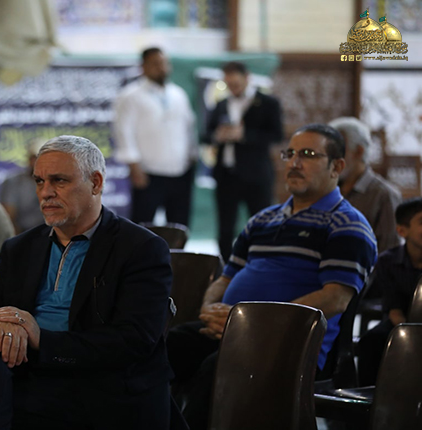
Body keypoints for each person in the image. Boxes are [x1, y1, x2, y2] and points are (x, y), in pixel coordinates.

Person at [0, 135, 174, 430]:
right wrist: (8, 324)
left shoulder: (140, 248)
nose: (45, 193)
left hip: (101, 386)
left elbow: (134, 340)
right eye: (39, 181)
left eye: (59, 181)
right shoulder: (20, 248)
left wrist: (41, 339)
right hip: (27, 375)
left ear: (96, 183)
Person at [167, 124, 377, 430]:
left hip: (290, 343)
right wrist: (209, 310)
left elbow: (336, 298)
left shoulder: (347, 224)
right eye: (289, 153)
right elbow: (225, 279)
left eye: (308, 154)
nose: (294, 162)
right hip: (229, 330)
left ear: (337, 166)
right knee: (159, 349)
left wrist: (251, 324)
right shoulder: (262, 220)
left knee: (218, 369)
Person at [206, 61, 284, 264]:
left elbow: (277, 135)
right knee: (225, 227)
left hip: (256, 174)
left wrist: (244, 135)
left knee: (260, 223)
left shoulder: (268, 103)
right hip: (226, 174)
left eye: (236, 83)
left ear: (247, 78)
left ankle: (260, 264)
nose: (233, 88)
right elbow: (206, 134)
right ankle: (226, 268)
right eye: (229, 84)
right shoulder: (221, 104)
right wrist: (218, 135)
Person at [113, 47, 197, 226]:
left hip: (180, 171)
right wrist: (134, 167)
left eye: (164, 63)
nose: (162, 68)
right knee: (143, 226)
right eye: (156, 64)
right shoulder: (130, 95)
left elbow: (189, 128)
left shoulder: (178, 94)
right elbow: (124, 132)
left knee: (179, 226)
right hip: (148, 173)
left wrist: (192, 156)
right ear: (143, 66)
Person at [358, 197, 422, 386]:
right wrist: (411, 336)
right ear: (402, 231)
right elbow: (394, 309)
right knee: (371, 341)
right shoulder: (388, 261)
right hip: (400, 322)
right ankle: (369, 395)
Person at [329, 116, 402, 252]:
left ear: (359, 151)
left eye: (338, 151)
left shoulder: (383, 194)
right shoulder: (328, 189)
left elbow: (390, 253)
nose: (332, 159)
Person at [0, 137, 46, 233]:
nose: (37, 162)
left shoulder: (56, 182)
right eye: (34, 158)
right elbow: (8, 217)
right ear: (28, 159)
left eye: (42, 158)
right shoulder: (13, 182)